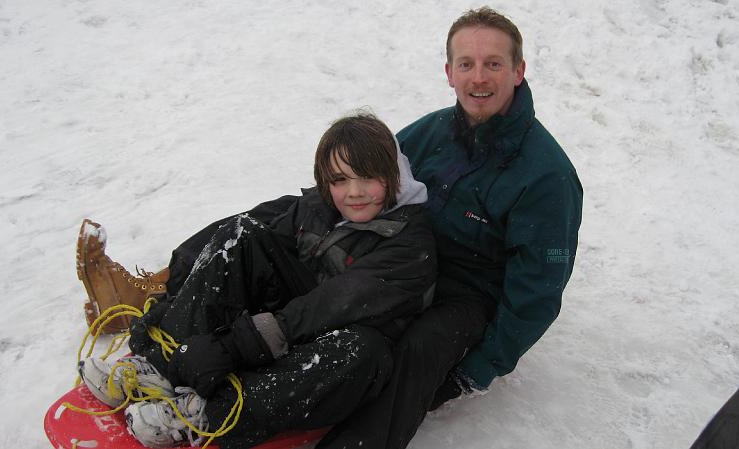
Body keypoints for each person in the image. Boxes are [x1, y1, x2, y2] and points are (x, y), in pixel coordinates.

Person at [76, 112, 437, 448]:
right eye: (340, 179)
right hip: (290, 320)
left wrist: (234, 345)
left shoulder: (410, 245)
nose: (354, 192)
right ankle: (160, 362)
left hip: (339, 341)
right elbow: (259, 250)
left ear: (392, 176)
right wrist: (175, 301)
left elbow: (332, 305)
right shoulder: (319, 205)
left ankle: (205, 414)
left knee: (363, 351)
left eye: (368, 177)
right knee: (242, 235)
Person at [314, 7, 583, 449]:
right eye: (467, 64)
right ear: (450, 72)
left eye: (494, 64)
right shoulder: (432, 131)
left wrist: (476, 369)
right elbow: (364, 179)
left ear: (518, 71)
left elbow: (536, 293)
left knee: (417, 349)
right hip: (406, 263)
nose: (479, 77)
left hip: (466, 300)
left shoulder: (545, 177)